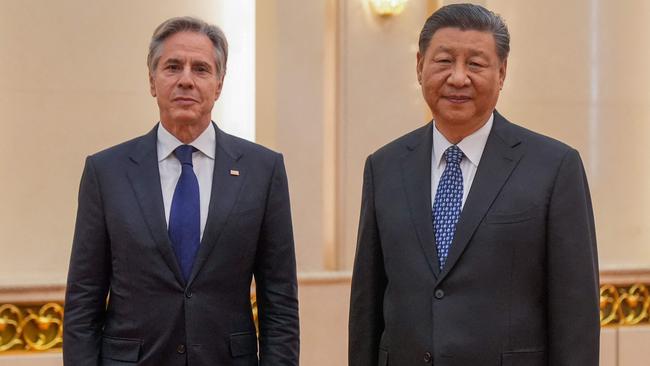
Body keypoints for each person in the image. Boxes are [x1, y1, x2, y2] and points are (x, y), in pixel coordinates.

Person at [348, 4, 599, 365]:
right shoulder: (384, 166)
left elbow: (575, 314)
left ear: (502, 73)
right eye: (444, 61)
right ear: (420, 67)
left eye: (476, 64)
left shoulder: (554, 167)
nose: (458, 78)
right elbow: (367, 304)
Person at [63, 16, 299, 366]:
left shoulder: (262, 171)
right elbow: (83, 300)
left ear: (218, 84)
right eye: (172, 67)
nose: (186, 79)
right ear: (152, 81)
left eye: (201, 69)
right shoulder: (106, 172)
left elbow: (279, 302)